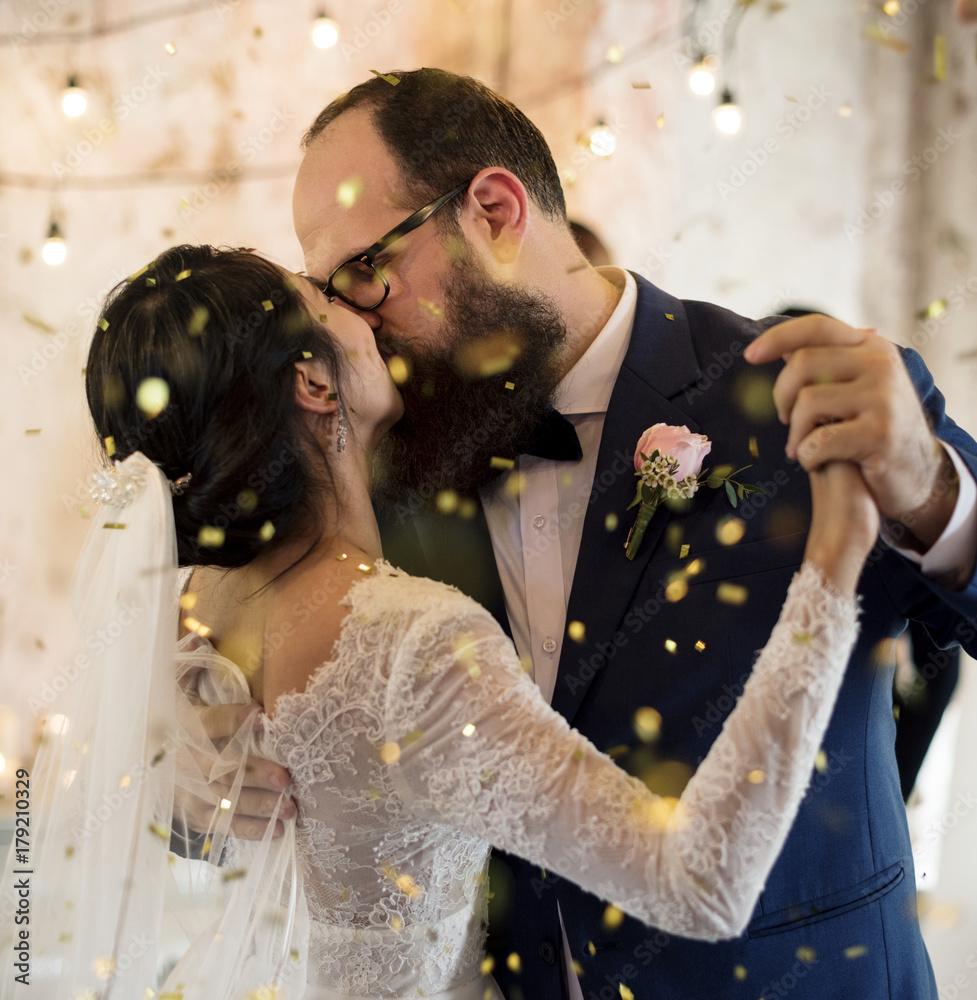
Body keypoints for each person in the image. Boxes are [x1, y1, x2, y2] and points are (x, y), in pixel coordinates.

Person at [201, 69, 976, 1000]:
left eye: (365, 272)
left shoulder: (786, 391)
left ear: (492, 210)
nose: (354, 322)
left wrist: (931, 493)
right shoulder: (373, 463)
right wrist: (198, 773)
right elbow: (241, 665)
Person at [0, 245, 873, 1000]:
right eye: (324, 299)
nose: (357, 304)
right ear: (311, 381)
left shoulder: (191, 604)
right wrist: (831, 568)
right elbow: (699, 883)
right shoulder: (407, 641)